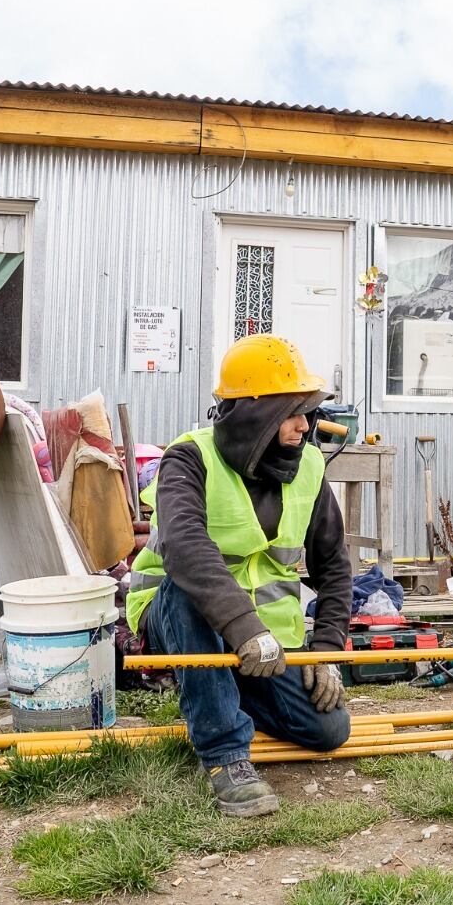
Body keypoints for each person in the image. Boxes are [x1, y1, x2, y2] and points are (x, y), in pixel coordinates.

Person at [125, 334, 353, 817]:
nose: (303, 425)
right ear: (254, 414)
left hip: (265, 638)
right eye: (291, 411)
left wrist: (327, 650)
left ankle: (223, 689)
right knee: (187, 590)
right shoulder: (189, 458)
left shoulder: (309, 467)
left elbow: (334, 566)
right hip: (176, 613)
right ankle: (225, 755)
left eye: (308, 410)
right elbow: (187, 551)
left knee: (329, 731)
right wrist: (245, 629)